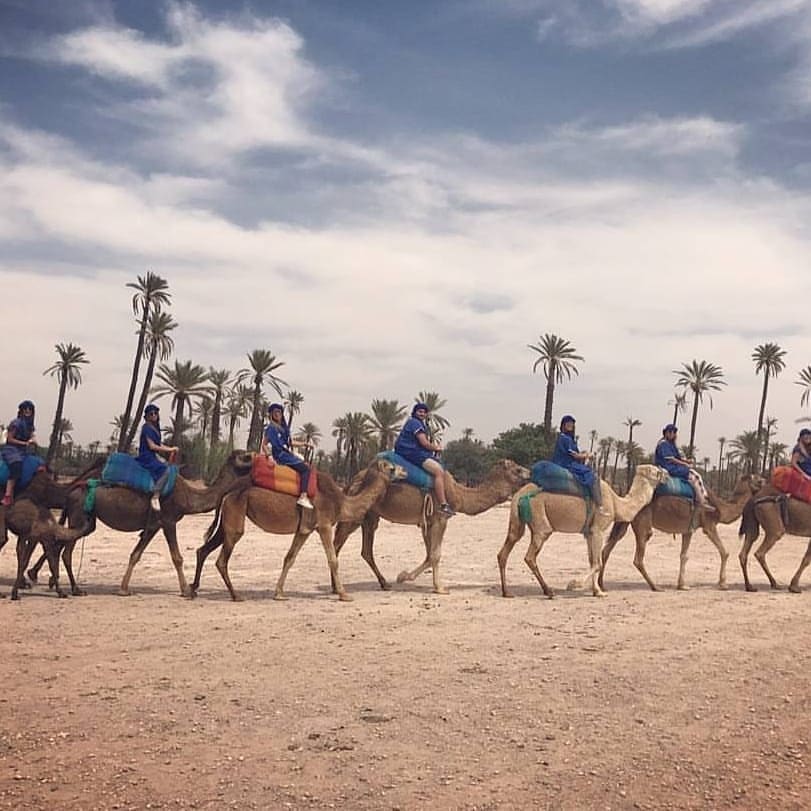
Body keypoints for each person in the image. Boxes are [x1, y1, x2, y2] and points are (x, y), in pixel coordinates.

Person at [394, 402, 455, 517]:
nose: (422, 414)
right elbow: (424, 443)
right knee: (438, 471)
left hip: (410, 452)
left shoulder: (417, 424)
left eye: (424, 412)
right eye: (420, 411)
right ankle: (443, 505)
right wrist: (436, 447)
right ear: (415, 412)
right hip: (412, 453)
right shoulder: (415, 423)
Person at [262, 403, 314, 510]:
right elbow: (264, 444)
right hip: (281, 455)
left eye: (279, 412)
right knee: (305, 470)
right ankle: (303, 496)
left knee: (303, 463)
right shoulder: (271, 428)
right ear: (271, 414)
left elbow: (290, 443)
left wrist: (304, 444)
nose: (277, 414)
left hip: (286, 453)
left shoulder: (283, 428)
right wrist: (269, 456)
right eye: (275, 412)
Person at [654, 423, 714, 510]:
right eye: (670, 431)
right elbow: (670, 459)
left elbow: (677, 457)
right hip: (668, 467)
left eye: (673, 432)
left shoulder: (671, 444)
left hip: (671, 466)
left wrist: (687, 461)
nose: (672, 434)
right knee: (695, 477)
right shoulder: (663, 444)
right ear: (665, 433)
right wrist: (684, 464)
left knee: (691, 473)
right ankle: (702, 500)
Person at [551, 415, 605, 511]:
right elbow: (574, 455)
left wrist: (584, 454)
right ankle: (599, 505)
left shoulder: (568, 439)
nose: (570, 425)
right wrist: (588, 456)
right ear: (564, 425)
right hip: (565, 463)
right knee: (592, 476)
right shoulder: (565, 439)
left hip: (568, 462)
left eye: (572, 424)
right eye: (568, 423)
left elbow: (576, 454)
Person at [136, 404, 178, 511]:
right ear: (147, 416)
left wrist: (171, 448)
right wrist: (170, 450)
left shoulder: (155, 429)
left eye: (155, 413)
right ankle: (156, 495)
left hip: (153, 455)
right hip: (147, 456)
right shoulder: (146, 428)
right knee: (166, 471)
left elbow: (159, 444)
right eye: (151, 414)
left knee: (167, 464)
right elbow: (152, 446)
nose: (154, 415)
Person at [1, 400, 37, 506]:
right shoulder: (16, 423)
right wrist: (24, 443)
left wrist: (32, 441)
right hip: (11, 450)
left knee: (38, 465)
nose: (27, 411)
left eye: (29, 409)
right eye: (25, 408)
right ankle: (7, 495)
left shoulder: (30, 426)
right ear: (21, 410)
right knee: (16, 466)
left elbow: (31, 437)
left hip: (23, 451)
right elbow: (10, 439)